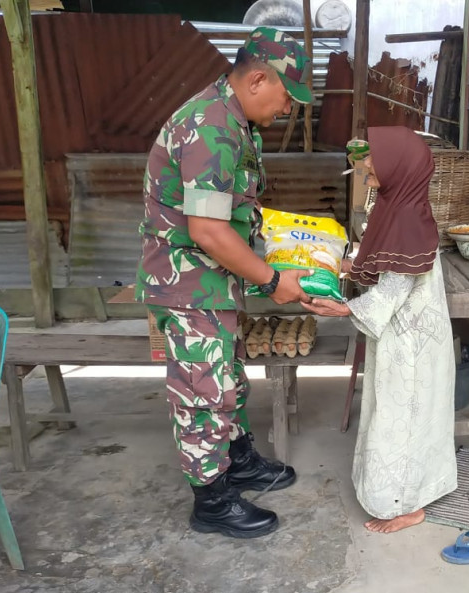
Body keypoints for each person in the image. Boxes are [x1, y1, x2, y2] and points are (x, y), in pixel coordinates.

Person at [135, 27, 314, 540]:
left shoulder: (236, 120)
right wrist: (273, 279)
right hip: (188, 283)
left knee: (227, 377)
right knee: (202, 390)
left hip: (213, 281)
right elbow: (208, 229)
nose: (287, 109)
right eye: (287, 97)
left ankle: (236, 461)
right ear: (258, 79)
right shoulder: (210, 124)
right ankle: (211, 501)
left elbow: (232, 216)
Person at [301, 126, 458, 533]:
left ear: (399, 167)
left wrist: (342, 308)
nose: (366, 164)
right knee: (404, 415)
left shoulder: (404, 216)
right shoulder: (397, 205)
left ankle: (406, 504)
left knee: (400, 420)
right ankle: (411, 489)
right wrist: (342, 264)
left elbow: (391, 289)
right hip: (407, 337)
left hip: (410, 345)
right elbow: (385, 262)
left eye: (374, 158)